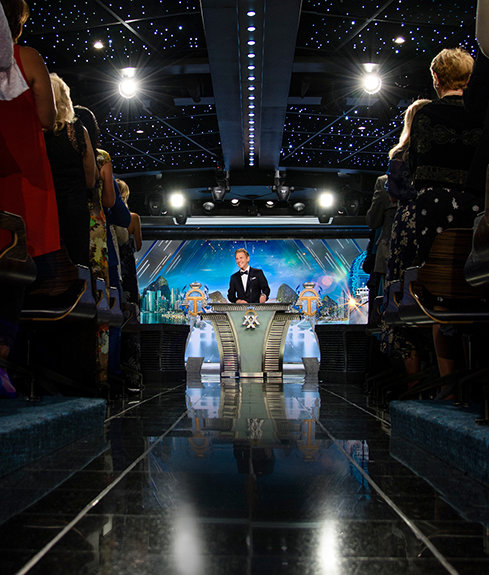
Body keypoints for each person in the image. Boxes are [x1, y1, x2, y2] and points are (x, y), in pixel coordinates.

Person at [409, 47, 483, 385]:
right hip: (478, 214)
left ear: (436, 78)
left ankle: (449, 389)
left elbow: (415, 170)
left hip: (435, 213)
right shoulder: (482, 113)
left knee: (439, 297)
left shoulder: (425, 115)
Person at [0, 0, 60, 396]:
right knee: (13, 265)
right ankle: (3, 361)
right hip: (20, 174)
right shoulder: (27, 58)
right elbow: (47, 119)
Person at [44, 73, 97, 267]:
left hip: (44, 209)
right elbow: (90, 180)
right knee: (77, 265)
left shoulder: (33, 134)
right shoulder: (77, 131)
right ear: (65, 100)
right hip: (74, 209)